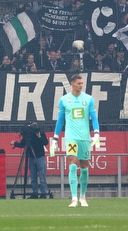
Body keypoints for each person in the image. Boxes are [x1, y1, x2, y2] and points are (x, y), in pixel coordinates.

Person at [51, 73, 99, 207]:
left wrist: (96, 133)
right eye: (79, 83)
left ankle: (83, 196)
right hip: (71, 137)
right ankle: (74, 198)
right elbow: (60, 121)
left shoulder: (88, 99)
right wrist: (55, 138)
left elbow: (94, 118)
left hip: (84, 137)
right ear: (72, 84)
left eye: (82, 83)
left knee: (84, 166)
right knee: (72, 163)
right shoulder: (64, 100)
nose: (81, 85)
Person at [12, 121, 49, 199]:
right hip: (31, 157)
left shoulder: (40, 133)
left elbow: (45, 142)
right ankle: (34, 193)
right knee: (33, 177)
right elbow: (23, 143)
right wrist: (15, 144)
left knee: (42, 177)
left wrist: (39, 136)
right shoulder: (28, 134)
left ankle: (43, 193)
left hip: (40, 157)